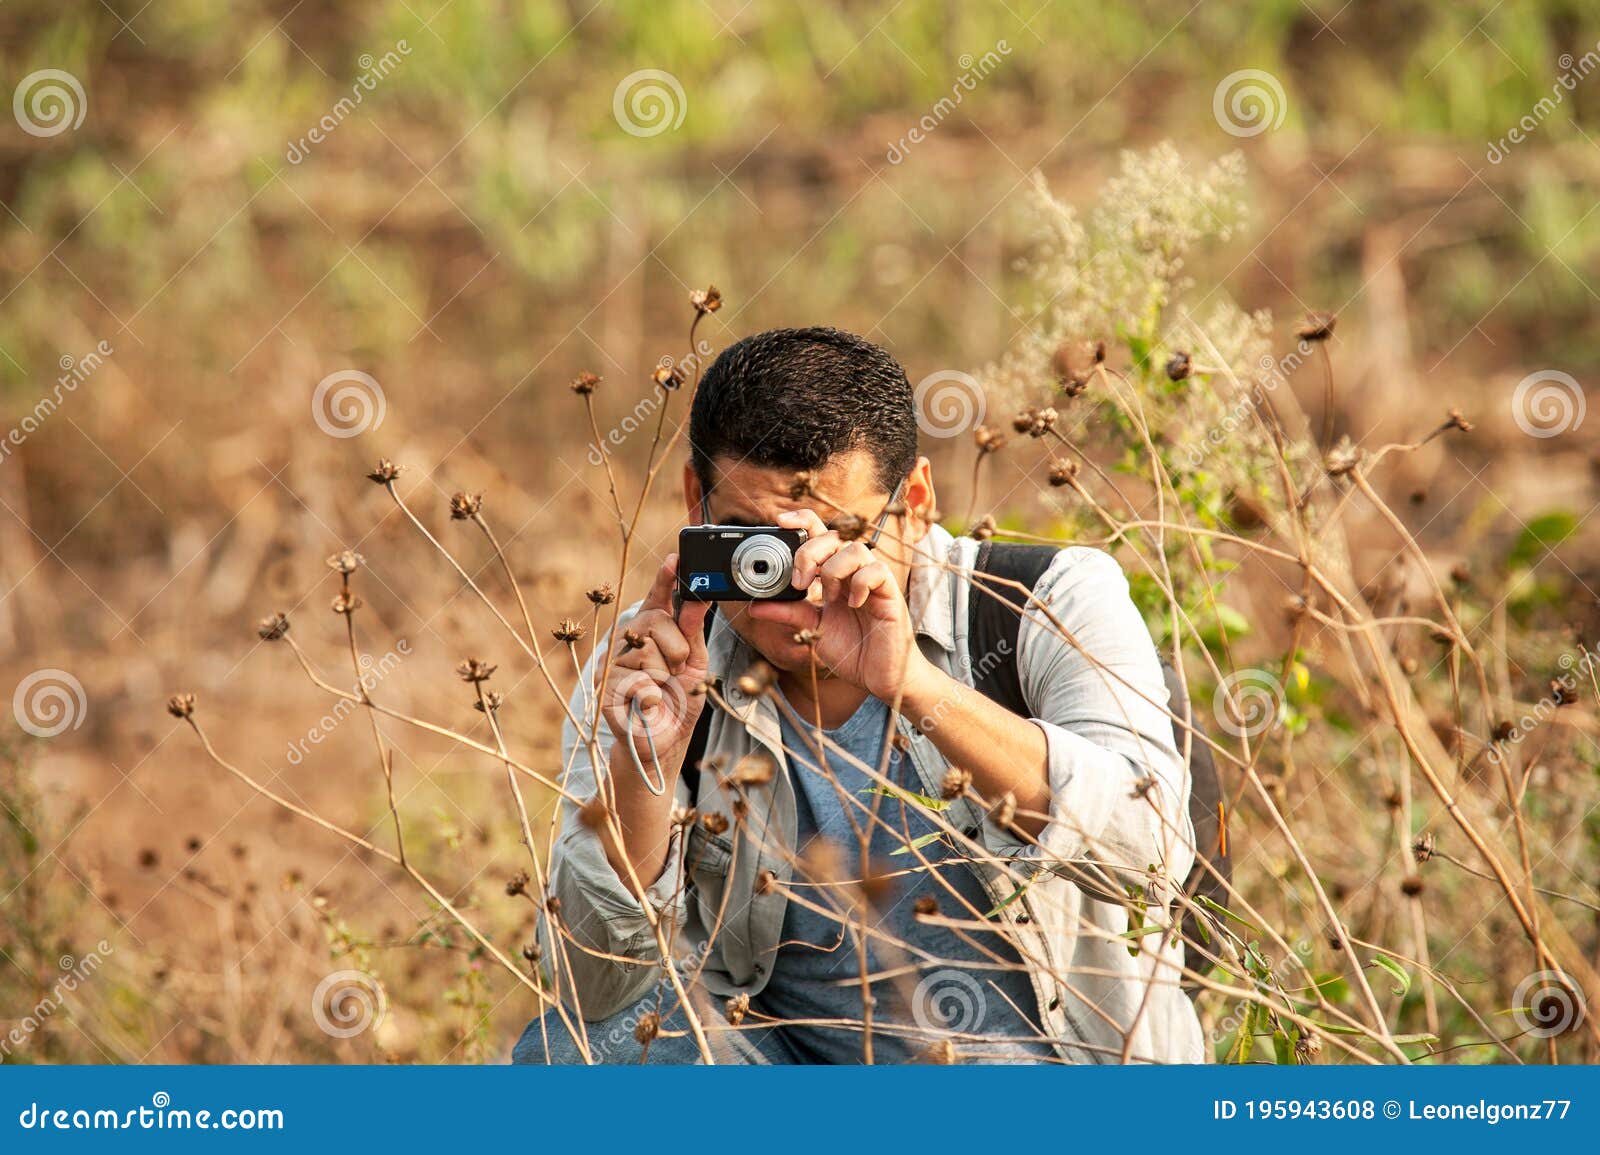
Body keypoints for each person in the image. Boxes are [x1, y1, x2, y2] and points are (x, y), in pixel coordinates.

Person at [513, 326, 1203, 1065]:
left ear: (917, 500)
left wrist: (912, 682)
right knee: (579, 1057)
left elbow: (1153, 852)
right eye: (750, 544)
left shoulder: (1043, 600)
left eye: (836, 536)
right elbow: (591, 991)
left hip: (1050, 1079)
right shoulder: (654, 661)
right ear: (694, 499)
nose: (796, 578)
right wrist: (645, 765)